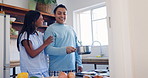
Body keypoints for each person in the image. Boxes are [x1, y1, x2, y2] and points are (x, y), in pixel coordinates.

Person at [44, 4, 83, 76]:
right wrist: (65, 50)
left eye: (64, 14)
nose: (62, 16)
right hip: (56, 69)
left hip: (72, 68)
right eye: (59, 13)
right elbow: (48, 49)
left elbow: (77, 47)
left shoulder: (71, 29)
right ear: (54, 15)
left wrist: (80, 63)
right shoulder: (50, 29)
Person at [17, 10, 53, 77]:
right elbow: (32, 54)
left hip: (43, 70)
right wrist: (45, 44)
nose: (43, 20)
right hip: (32, 72)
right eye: (41, 19)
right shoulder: (25, 36)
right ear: (33, 21)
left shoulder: (39, 34)